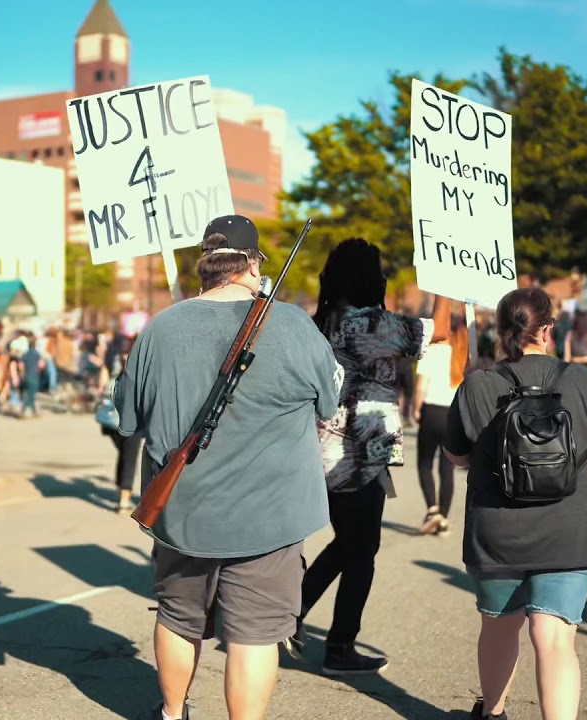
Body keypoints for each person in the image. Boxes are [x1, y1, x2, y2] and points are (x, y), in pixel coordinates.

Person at [115, 215, 340, 720]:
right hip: (271, 515)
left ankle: (173, 713)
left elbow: (128, 417)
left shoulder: (160, 326)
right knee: (257, 633)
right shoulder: (294, 323)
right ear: (253, 264)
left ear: (206, 265)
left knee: (177, 617)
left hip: (183, 510)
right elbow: (330, 400)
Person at [442, 287, 587, 720]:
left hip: (498, 532)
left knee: (500, 626)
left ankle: (494, 713)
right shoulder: (582, 382)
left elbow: (457, 457)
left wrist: (472, 394)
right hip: (571, 528)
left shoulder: (478, 384)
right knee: (554, 637)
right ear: (547, 329)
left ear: (501, 330)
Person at [292, 238, 452, 676]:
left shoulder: (322, 321)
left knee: (350, 542)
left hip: (324, 448)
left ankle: (291, 616)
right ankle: (339, 646)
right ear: (368, 277)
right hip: (358, 454)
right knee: (362, 550)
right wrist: (444, 282)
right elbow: (438, 331)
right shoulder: (368, 324)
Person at [413, 314, 468, 536]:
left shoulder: (432, 350)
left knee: (424, 462)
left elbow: (420, 386)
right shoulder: (462, 354)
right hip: (452, 414)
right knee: (447, 468)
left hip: (432, 410)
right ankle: (443, 517)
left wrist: (416, 409)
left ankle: (432, 509)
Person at [101, 335, 143, 514]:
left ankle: (123, 492)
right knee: (128, 454)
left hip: (114, 414)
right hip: (128, 415)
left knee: (126, 453)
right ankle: (124, 497)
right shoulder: (137, 363)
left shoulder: (117, 360)